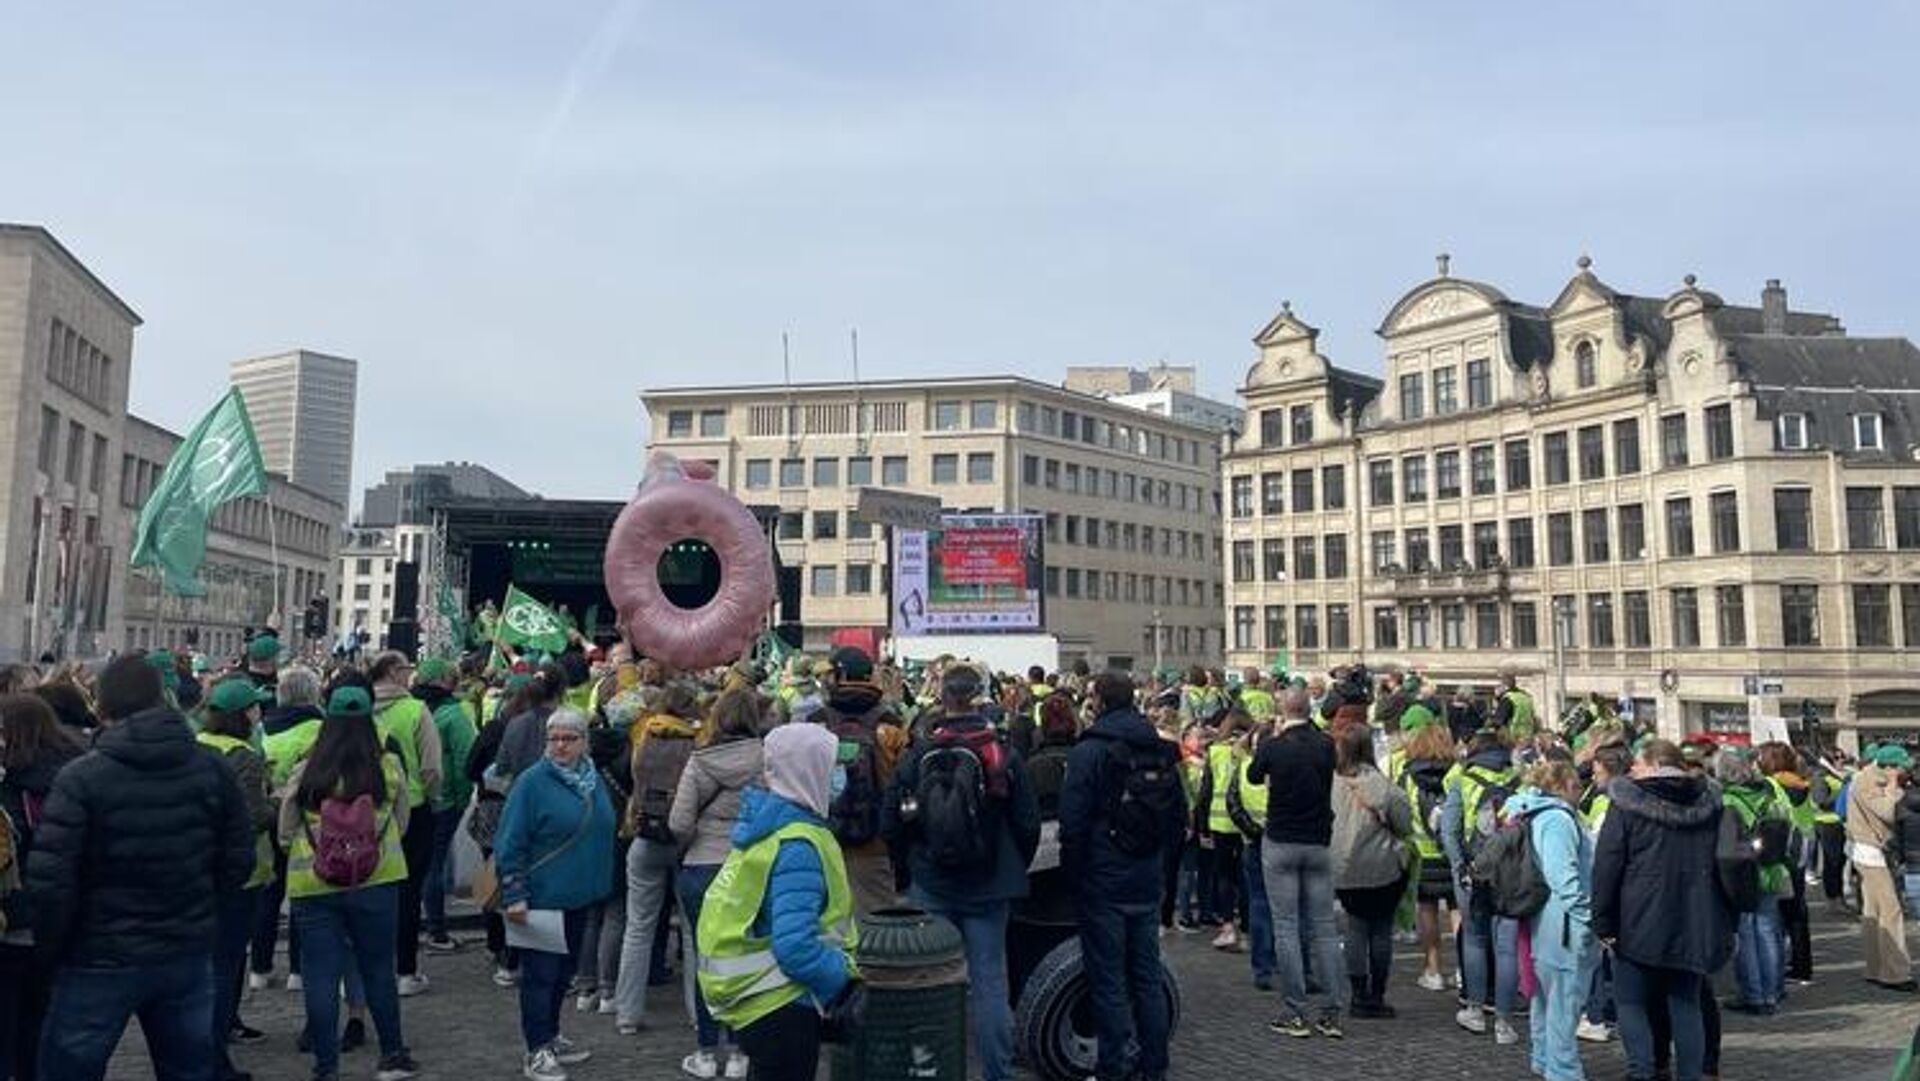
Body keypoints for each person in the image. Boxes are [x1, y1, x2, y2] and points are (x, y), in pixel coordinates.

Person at [25, 654, 254, 1081]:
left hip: (98, 953)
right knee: (189, 1069)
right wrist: (203, 909)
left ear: (101, 706)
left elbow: (51, 881)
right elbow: (239, 857)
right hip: (184, 946)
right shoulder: (211, 768)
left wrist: (54, 948)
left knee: (67, 1070)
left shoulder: (81, 778)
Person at [882, 664, 1040, 1081]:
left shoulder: (921, 750)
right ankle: (996, 1073)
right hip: (990, 884)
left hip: (932, 882)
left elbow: (891, 818)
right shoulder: (1001, 751)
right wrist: (1011, 864)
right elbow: (1027, 822)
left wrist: (911, 861)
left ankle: (930, 1067)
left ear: (942, 696)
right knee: (989, 982)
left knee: (930, 981)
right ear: (981, 696)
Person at [697, 723, 863, 1081]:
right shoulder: (800, 844)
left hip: (759, 1003)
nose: (840, 775)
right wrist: (846, 981)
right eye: (833, 765)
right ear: (809, 771)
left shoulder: (768, 827)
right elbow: (795, 946)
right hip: (784, 1005)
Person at [279, 686, 422, 1081]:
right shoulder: (388, 766)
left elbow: (286, 827)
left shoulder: (308, 768)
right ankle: (392, 1054)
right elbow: (404, 821)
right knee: (378, 967)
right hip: (377, 880)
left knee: (320, 975)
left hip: (314, 884)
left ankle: (326, 1066)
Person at [1059, 670, 1183, 1081]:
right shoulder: (1161, 749)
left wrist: (1075, 875)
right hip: (1146, 874)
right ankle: (1155, 1065)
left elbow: (1072, 823)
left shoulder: (1089, 751)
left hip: (1103, 875)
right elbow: (1176, 818)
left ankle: (1112, 1067)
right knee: (1147, 975)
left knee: (1108, 978)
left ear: (1097, 700)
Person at [1592, 738, 1732, 1081]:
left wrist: (1602, 920)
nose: (1633, 770)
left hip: (1638, 917)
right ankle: (1690, 1075)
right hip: (1694, 916)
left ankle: (1642, 1071)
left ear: (1654, 764)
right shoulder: (1710, 803)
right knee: (1685, 1004)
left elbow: (1607, 866)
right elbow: (1726, 862)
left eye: (1637, 764)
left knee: (1631, 1002)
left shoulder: (1625, 804)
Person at [494, 708, 617, 1081]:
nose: (560, 746)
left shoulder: (592, 779)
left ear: (584, 742)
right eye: (554, 739)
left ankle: (550, 1033)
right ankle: (536, 1049)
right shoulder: (532, 783)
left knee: (564, 974)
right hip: (541, 896)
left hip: (578, 894)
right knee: (540, 976)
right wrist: (514, 892)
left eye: (569, 739)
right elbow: (510, 841)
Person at [668, 688, 766, 1080]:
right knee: (749, 956)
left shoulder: (699, 762)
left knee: (705, 959)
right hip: (749, 867)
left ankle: (707, 1052)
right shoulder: (767, 760)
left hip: (702, 865)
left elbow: (677, 823)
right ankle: (741, 1051)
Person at [1247, 687, 1348, 1038]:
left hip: (1281, 839)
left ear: (1282, 709)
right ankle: (1332, 1012)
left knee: (1286, 926)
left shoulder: (1274, 746)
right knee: (1324, 927)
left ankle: (1296, 1011)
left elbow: (1253, 776)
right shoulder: (1324, 746)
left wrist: (1270, 739)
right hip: (1317, 840)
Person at [0, 693, 84, 1081]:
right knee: (39, 1022)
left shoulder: (9, 784)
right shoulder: (76, 774)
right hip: (58, 919)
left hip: (11, 919)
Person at [198, 677, 277, 1081]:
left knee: (209, 964)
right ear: (245, 714)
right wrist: (279, 803)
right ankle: (214, 1054)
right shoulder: (244, 755)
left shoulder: (198, 745)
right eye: (255, 707)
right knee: (225, 966)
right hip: (239, 873)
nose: (259, 713)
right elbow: (253, 816)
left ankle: (214, 1037)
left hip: (198, 867)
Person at [612, 679, 700, 1034]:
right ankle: (699, 1015)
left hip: (644, 834)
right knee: (694, 934)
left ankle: (627, 1013)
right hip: (686, 841)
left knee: (638, 927)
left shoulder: (642, 737)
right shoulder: (697, 744)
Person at [1508, 759, 1595, 1081]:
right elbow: (1563, 877)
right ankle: (1563, 1071)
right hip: (1565, 926)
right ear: (1563, 785)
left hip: (1545, 922)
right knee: (1564, 1003)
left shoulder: (1533, 813)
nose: (1581, 789)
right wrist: (1589, 915)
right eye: (1575, 783)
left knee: (1546, 1000)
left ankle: (1544, 1058)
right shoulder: (1557, 819)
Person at [366, 651, 444, 998]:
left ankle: (367, 967)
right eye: (408, 669)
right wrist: (430, 795)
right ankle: (405, 970)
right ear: (395, 672)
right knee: (409, 890)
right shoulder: (415, 710)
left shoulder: (358, 707)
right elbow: (431, 767)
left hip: (364, 809)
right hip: (411, 808)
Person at [814, 646, 910, 917]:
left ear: (840, 675)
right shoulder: (891, 723)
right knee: (876, 931)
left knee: (827, 930)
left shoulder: (817, 722)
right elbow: (904, 779)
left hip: (822, 840)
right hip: (875, 843)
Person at [1443, 728, 1523, 1043]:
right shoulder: (1520, 780)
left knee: (1474, 940)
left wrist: (1459, 866)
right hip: (1511, 875)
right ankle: (1504, 1021)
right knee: (1506, 948)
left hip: (1472, 872)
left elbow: (1449, 831)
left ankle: (1474, 1010)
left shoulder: (1462, 782)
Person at [1329, 720, 1412, 1019]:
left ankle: (1358, 993)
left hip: (1343, 867)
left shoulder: (1331, 782)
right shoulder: (1382, 785)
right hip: (1381, 867)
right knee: (1380, 931)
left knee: (1355, 928)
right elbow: (1404, 824)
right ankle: (1376, 994)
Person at [1716, 746, 1790, 1013]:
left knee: (1747, 935)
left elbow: (1728, 848)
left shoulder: (1728, 801)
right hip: (1772, 869)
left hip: (1745, 874)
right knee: (1770, 931)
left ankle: (1754, 996)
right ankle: (1773, 991)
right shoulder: (1768, 794)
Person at [412, 657, 478, 953]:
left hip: (411, 799)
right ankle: (436, 929)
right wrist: (462, 799)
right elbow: (467, 758)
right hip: (443, 799)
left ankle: (409, 925)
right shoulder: (454, 714)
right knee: (434, 865)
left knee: (414, 865)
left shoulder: (408, 710)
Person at [1846, 743, 1914, 990]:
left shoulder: (1866, 778)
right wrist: (1895, 786)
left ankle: (1875, 968)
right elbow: (1887, 811)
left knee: (1873, 912)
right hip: (1871, 852)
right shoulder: (1868, 782)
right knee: (1891, 911)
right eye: (1901, 768)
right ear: (1890, 767)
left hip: (1867, 851)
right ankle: (1896, 973)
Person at [1396, 722, 1456, 992]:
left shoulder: (1407, 776)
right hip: (1452, 852)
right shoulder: (1457, 773)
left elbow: (1399, 812)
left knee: (1427, 911)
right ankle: (1465, 969)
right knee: (1458, 911)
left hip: (1421, 855)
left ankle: (1433, 969)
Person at [1756, 741, 1816, 987]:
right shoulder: (1802, 783)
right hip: (1801, 851)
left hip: (1781, 853)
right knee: (1798, 913)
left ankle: (1778, 967)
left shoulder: (1771, 786)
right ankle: (1802, 967)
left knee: (1776, 915)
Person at [1194, 710, 1250, 950]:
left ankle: (1228, 926)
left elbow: (1205, 791)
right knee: (1246, 875)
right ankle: (1248, 926)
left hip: (1220, 822)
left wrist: (1201, 825)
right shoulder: (1252, 751)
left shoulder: (1215, 752)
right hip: (1249, 822)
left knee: (1224, 875)